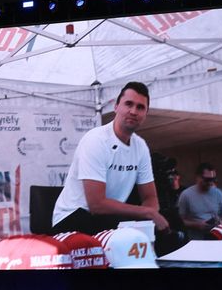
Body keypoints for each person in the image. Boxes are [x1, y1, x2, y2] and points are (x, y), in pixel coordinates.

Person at [51, 82, 169, 235]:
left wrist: (148, 217)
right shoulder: (96, 140)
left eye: (140, 107)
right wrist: (146, 213)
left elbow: (150, 197)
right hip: (71, 218)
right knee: (129, 236)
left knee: (166, 232)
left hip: (107, 220)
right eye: (128, 104)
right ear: (116, 107)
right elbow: (96, 205)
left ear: (145, 114)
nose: (133, 111)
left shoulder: (140, 147)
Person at [177, 163, 222, 238]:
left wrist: (220, 222)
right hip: (195, 238)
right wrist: (196, 225)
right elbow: (180, 221)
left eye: (213, 179)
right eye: (207, 180)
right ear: (198, 177)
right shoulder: (186, 195)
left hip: (216, 236)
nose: (210, 183)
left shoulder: (219, 193)